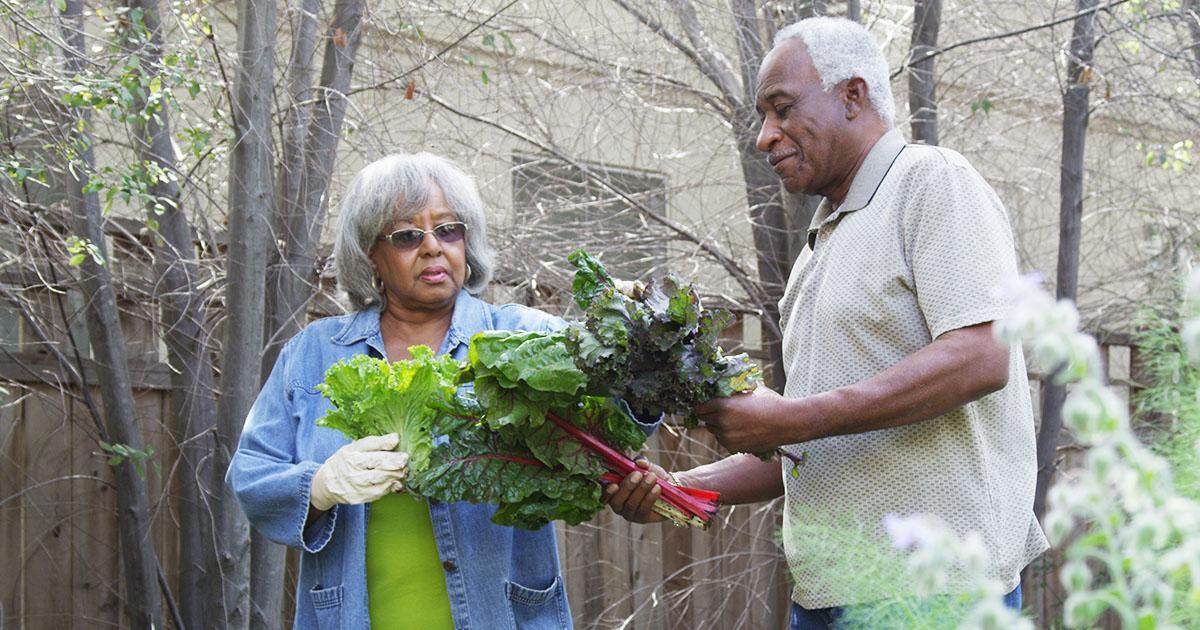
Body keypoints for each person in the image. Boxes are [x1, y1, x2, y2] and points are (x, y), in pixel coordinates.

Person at [605, 16, 1048, 629]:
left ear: (853, 95)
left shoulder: (931, 181)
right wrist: (681, 487)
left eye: (781, 109)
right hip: (825, 596)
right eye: (763, 117)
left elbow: (982, 354)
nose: (765, 136)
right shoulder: (820, 247)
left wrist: (791, 417)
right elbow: (809, 441)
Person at [227, 153, 576, 629]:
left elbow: (615, 405)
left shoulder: (521, 338)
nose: (433, 248)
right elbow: (250, 477)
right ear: (370, 252)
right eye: (408, 236)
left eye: (448, 230)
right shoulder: (314, 354)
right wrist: (319, 487)